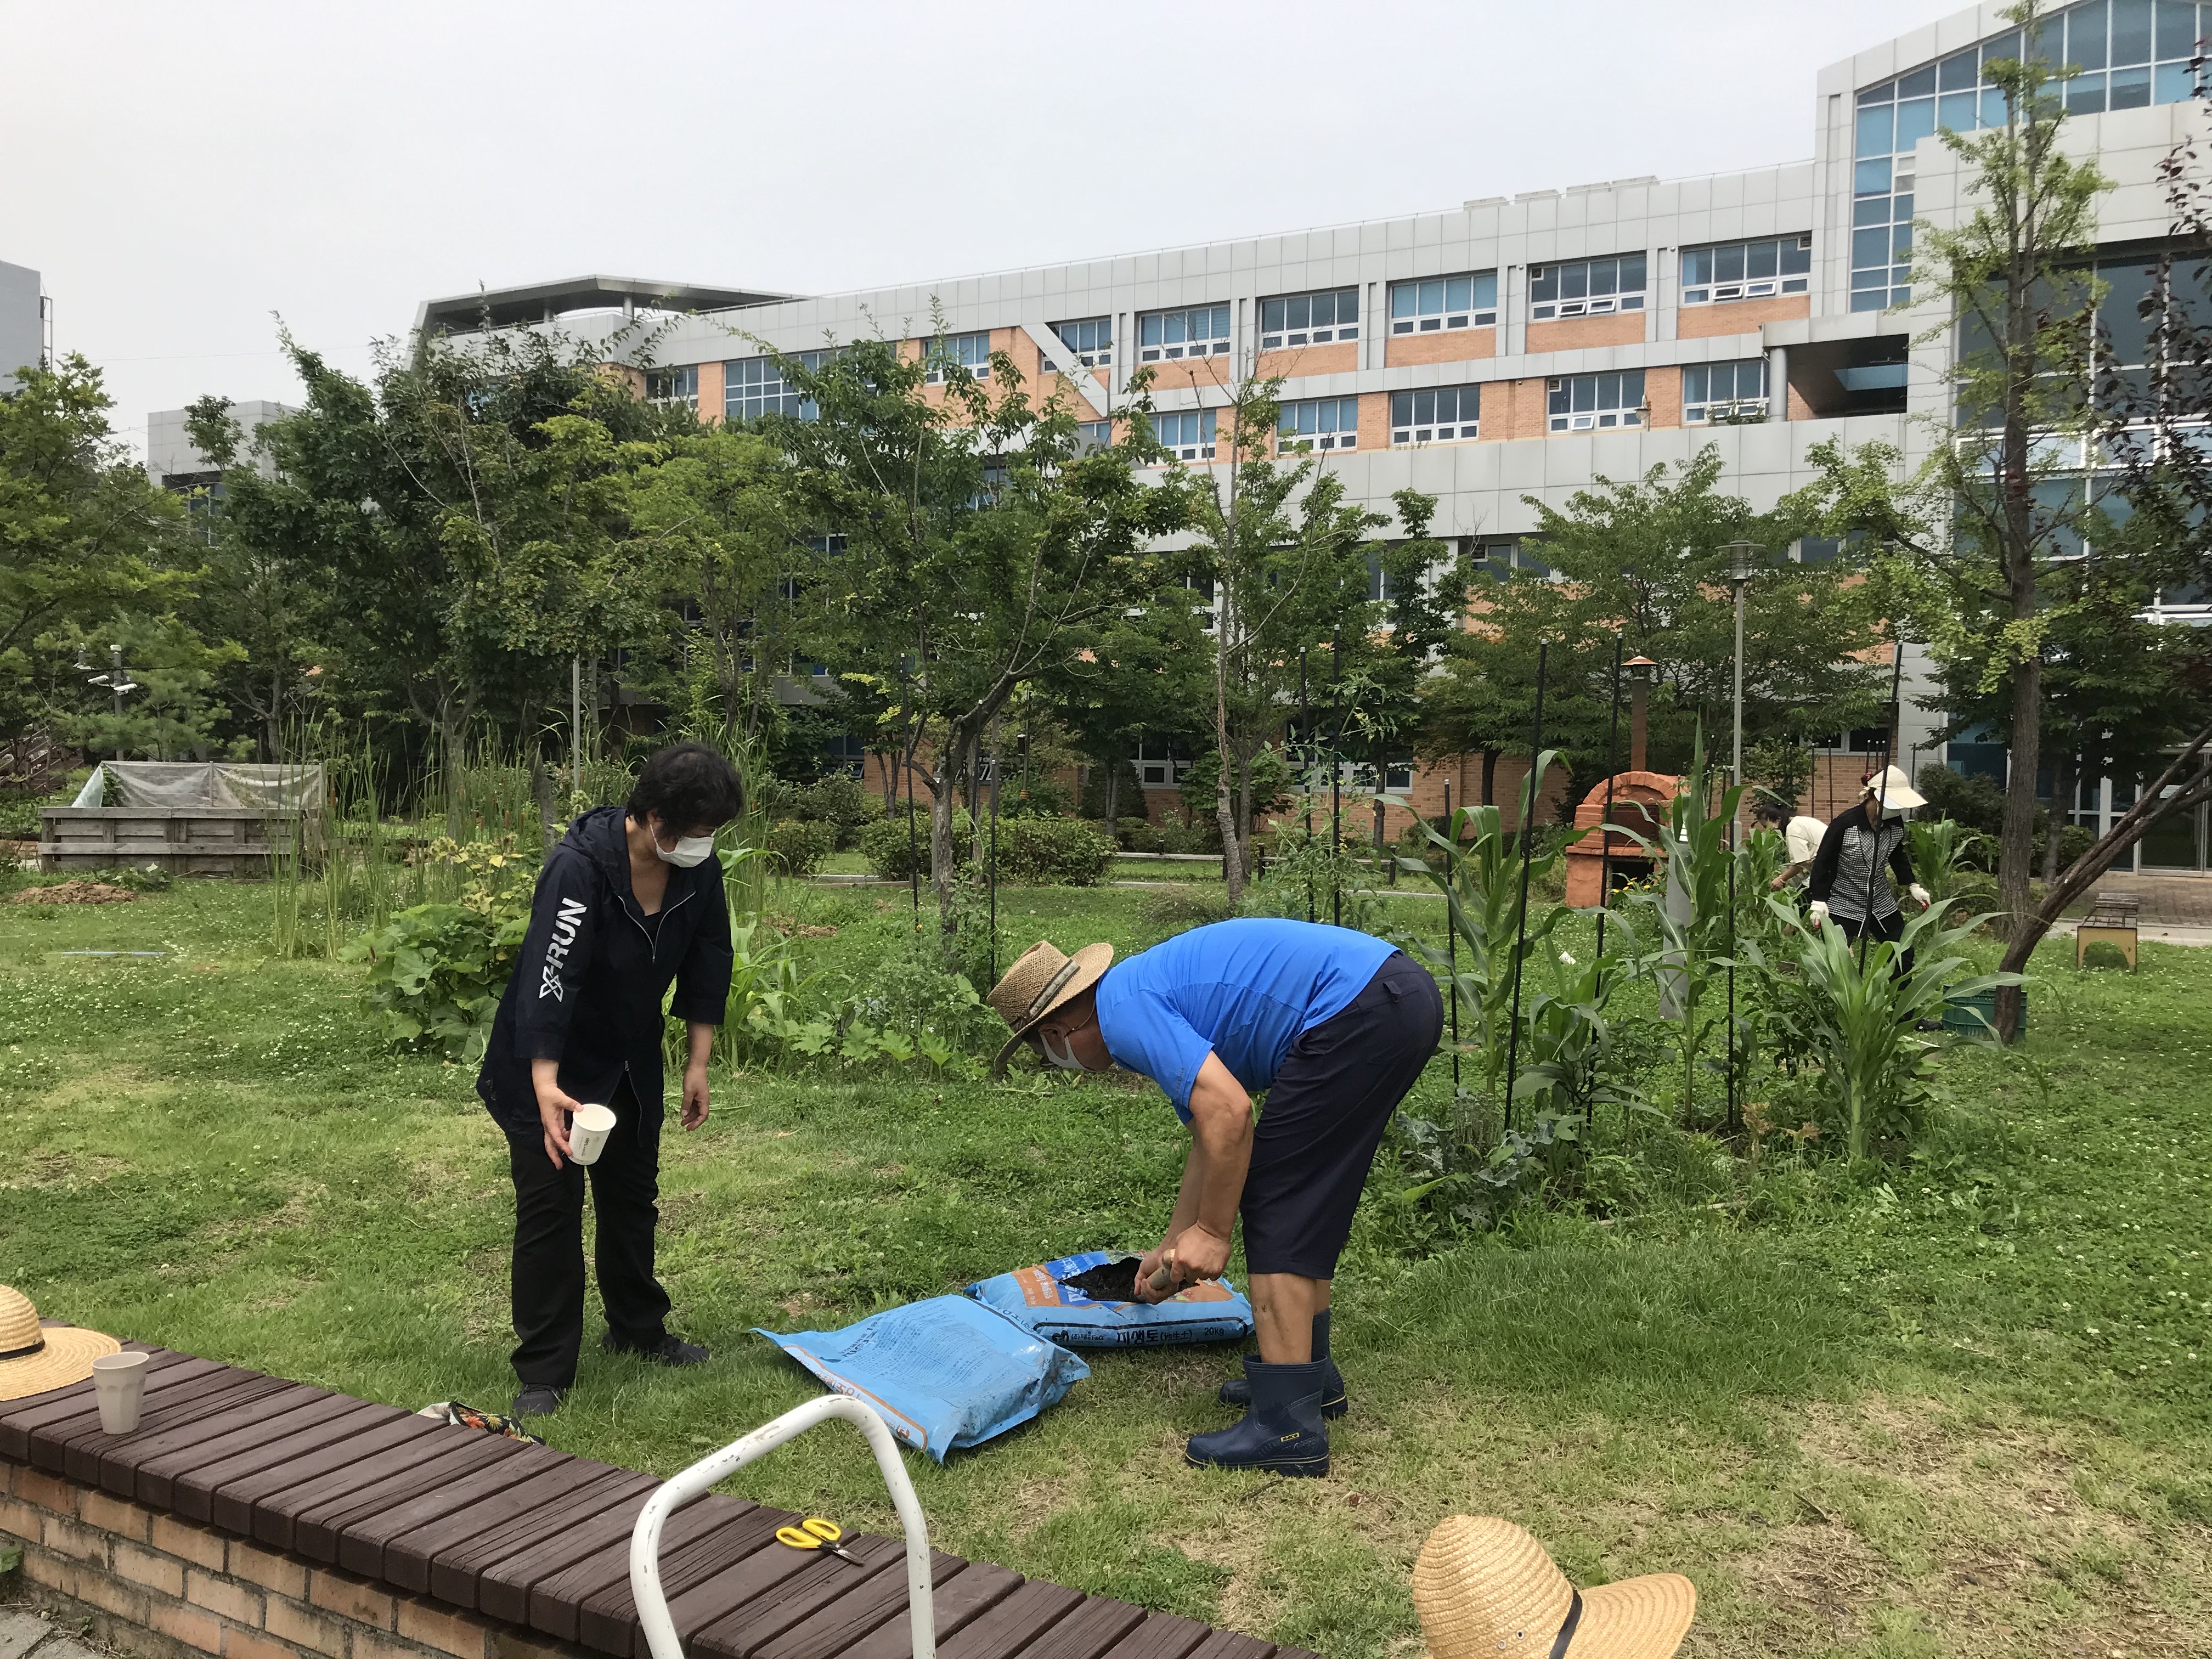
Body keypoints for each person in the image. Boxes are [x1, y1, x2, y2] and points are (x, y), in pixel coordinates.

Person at [986, 917, 1443, 1478]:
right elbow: (1212, 1139)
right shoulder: (1135, 994)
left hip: (1360, 1008)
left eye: (1043, 1052)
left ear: (1057, 1032)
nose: (1056, 1066)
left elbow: (1231, 1113)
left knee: (1280, 1198)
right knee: (1305, 1198)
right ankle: (1307, 1379)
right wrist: (1174, 1244)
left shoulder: (1127, 1015)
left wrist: (1212, 1234)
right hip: (1390, 1000)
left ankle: (1288, 1427)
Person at [476, 741, 741, 1417]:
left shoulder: (694, 873)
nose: (704, 846)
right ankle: (544, 1368)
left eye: (714, 835)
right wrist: (543, 1083)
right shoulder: (580, 867)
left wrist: (698, 1060)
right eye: (696, 831)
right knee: (551, 1207)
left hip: (629, 1058)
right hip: (550, 1063)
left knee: (632, 1199)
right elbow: (550, 973)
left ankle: (638, 1330)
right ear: (653, 818)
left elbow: (711, 958)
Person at [1804, 763, 1931, 964]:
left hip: (1879, 899)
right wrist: (1818, 900)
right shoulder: (1845, 824)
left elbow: (1897, 855)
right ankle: (1839, 996)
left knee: (1902, 951)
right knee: (1838, 958)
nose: (1896, 809)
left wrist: (1913, 885)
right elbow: (1823, 862)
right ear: (1873, 796)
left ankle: (1898, 993)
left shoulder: (1895, 824)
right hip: (1843, 899)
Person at [1755, 794, 1827, 891]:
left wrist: (1782, 879)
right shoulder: (1800, 822)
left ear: (1777, 820)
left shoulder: (1793, 829)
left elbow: (1802, 862)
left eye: (1766, 827)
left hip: (1827, 870)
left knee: (1803, 902)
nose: (1768, 832)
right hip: (1828, 866)